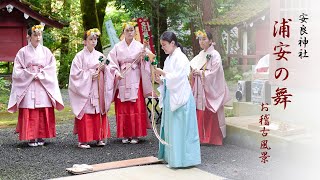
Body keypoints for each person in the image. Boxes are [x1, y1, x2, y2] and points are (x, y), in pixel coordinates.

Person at [8, 25, 64, 147]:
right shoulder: (22, 52)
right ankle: (31, 137)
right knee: (30, 109)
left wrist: (42, 74)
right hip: (29, 83)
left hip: (42, 82)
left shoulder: (46, 51)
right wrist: (30, 74)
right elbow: (17, 69)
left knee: (43, 109)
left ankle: (41, 136)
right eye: (35, 35)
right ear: (29, 36)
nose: (38, 37)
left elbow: (51, 66)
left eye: (39, 35)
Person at [154, 31, 201, 168]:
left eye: (164, 45)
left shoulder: (181, 57)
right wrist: (161, 80)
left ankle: (184, 159)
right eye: (162, 45)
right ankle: (173, 158)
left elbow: (179, 77)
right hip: (172, 95)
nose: (163, 48)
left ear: (172, 43)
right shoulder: (169, 59)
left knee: (181, 129)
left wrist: (163, 73)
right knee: (172, 128)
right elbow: (170, 78)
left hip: (181, 97)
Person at [107, 21, 154, 144]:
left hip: (135, 76)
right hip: (122, 76)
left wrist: (144, 58)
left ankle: (135, 134)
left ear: (135, 32)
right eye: (127, 30)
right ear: (123, 32)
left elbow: (149, 59)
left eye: (132, 30)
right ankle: (125, 134)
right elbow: (111, 63)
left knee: (135, 106)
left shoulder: (139, 46)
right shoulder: (117, 47)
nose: (129, 32)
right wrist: (116, 73)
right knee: (123, 107)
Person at [68, 28, 111, 149]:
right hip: (85, 88)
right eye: (90, 39)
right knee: (86, 111)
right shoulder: (79, 56)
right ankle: (83, 140)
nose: (93, 41)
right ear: (84, 41)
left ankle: (99, 137)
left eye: (95, 39)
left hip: (97, 87)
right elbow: (75, 74)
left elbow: (109, 67)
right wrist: (89, 76)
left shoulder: (100, 55)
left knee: (97, 110)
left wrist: (104, 69)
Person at [190, 30, 230, 145]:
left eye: (204, 39)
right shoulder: (201, 54)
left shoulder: (215, 54)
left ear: (211, 41)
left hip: (210, 87)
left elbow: (215, 73)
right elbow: (192, 66)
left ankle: (212, 138)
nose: (201, 41)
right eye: (200, 39)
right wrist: (194, 73)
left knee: (211, 111)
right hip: (200, 87)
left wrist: (202, 74)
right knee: (200, 110)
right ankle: (201, 137)